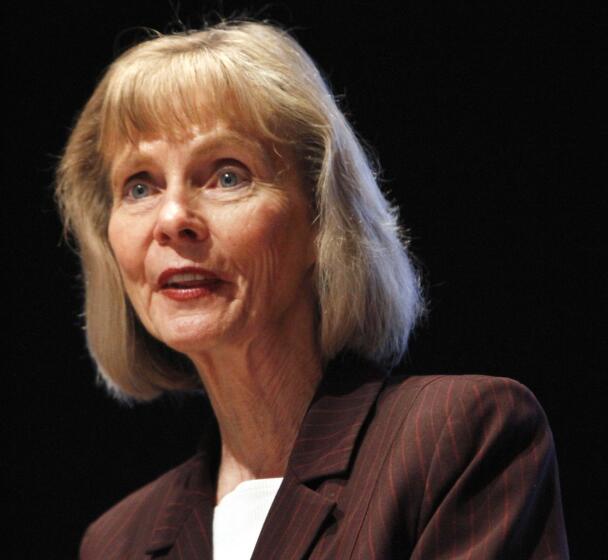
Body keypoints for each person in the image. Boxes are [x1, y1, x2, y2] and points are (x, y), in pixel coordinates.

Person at [56, 20, 568, 559]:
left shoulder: (456, 440)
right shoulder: (118, 541)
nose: (173, 218)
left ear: (322, 218)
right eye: (140, 186)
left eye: (227, 176)